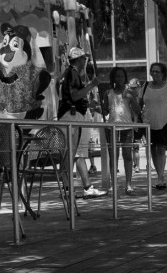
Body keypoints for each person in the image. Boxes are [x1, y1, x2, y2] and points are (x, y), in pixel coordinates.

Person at [57, 48, 104, 198]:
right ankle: (78, 188)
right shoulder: (72, 73)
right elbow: (75, 95)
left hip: (73, 115)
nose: (86, 61)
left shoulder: (69, 73)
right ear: (79, 59)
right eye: (84, 58)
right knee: (75, 153)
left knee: (75, 153)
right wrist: (91, 85)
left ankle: (73, 187)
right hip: (72, 116)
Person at [137, 61, 167, 189]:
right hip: (148, 123)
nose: (154, 74)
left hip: (164, 122)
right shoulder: (145, 86)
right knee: (153, 149)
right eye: (152, 71)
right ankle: (159, 176)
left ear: (163, 73)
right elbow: (139, 103)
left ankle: (161, 177)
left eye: (157, 71)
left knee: (161, 149)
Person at [101, 66, 141, 194]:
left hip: (127, 127)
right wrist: (100, 106)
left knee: (127, 155)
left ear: (125, 78)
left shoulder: (129, 92)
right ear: (113, 78)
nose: (120, 78)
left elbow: (137, 110)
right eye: (117, 76)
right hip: (112, 128)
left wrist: (131, 98)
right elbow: (105, 110)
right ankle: (114, 184)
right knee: (114, 156)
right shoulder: (108, 93)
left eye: (122, 76)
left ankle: (128, 185)